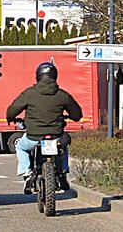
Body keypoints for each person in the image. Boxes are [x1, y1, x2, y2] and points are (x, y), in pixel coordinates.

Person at [7, 61, 82, 194]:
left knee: (21, 147)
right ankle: (63, 171)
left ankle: (27, 172)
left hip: (33, 136)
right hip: (56, 135)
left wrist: (10, 117)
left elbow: (13, 109)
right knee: (63, 147)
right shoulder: (62, 95)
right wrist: (72, 117)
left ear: (38, 76)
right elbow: (77, 114)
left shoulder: (29, 94)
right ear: (54, 76)